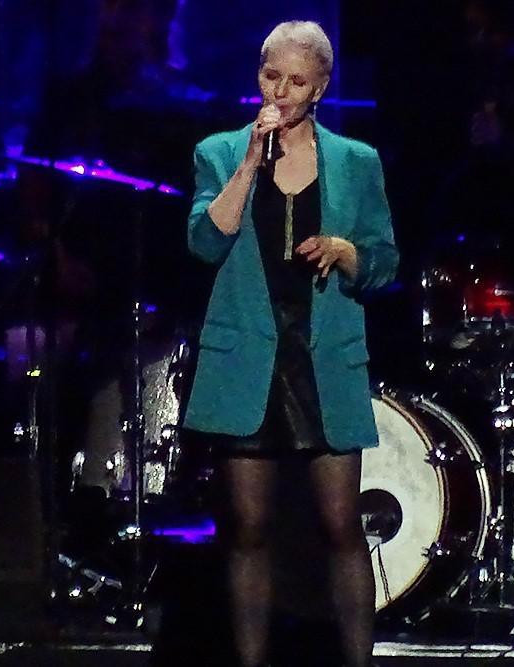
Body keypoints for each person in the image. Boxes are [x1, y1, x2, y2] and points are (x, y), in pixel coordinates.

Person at [182, 21, 397, 667]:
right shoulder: (218, 152)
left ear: (320, 87)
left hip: (321, 357)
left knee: (340, 524)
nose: (280, 90)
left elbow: (385, 262)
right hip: (249, 359)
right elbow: (205, 242)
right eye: (271, 75)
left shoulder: (357, 161)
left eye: (297, 80)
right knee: (248, 528)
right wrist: (251, 160)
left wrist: (348, 252)